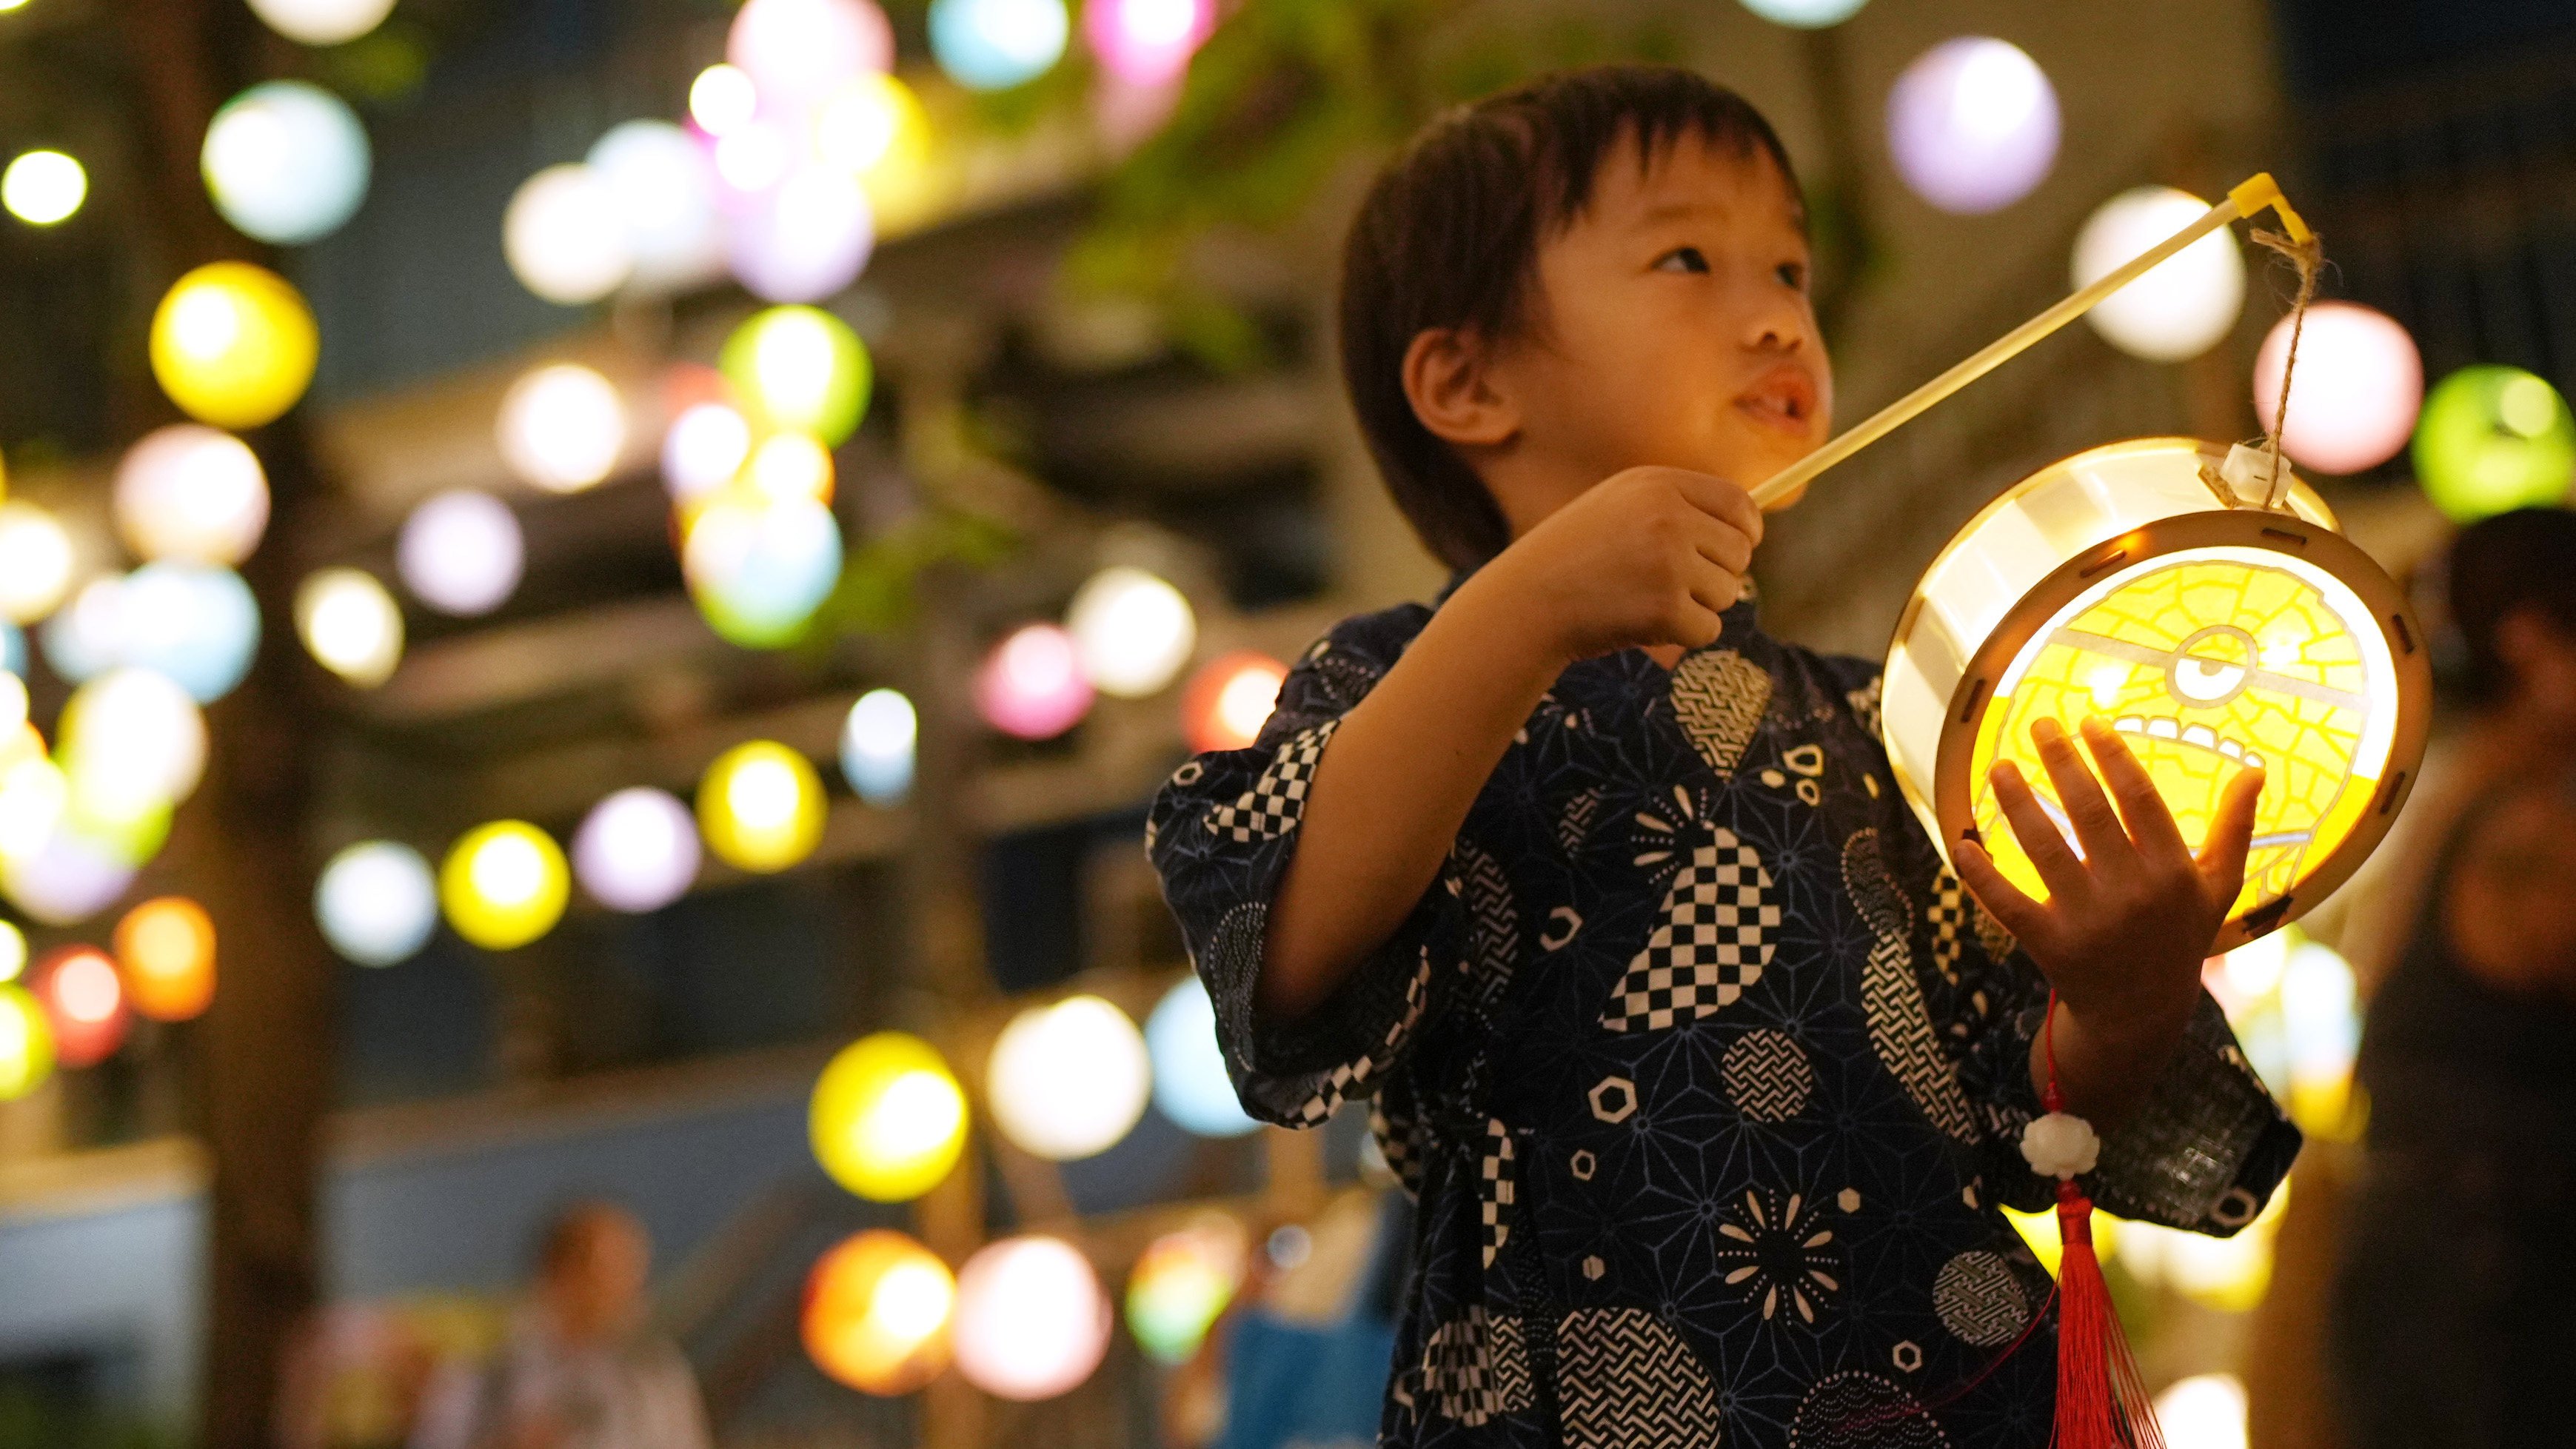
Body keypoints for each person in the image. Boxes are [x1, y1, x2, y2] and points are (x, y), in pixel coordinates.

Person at [1149, 64, 2299, 1448]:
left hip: (1945, 1393)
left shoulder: (1895, 722)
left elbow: (2042, 1113)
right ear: (1463, 380)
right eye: (1685, 256)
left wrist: (2122, 995)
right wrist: (1521, 606)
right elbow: (1287, 956)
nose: (1775, 316)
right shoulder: (1400, 686)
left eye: (1792, 267)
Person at [2326, 507, 2576, 1449]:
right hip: (2490, 1290)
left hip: (2431, 1271)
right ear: (2530, 645)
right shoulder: (2530, 830)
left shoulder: (2456, 789)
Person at [412, 1202, 710, 1449]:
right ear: (562, 1274)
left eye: (636, 1272)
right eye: (615, 1273)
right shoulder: (484, 1379)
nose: (634, 1290)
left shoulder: (656, 1375)